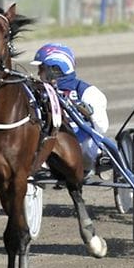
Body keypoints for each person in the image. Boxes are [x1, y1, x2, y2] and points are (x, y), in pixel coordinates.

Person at [31, 43, 108, 175]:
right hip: (52, 145)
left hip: (83, 146)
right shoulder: (38, 92)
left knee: (96, 145)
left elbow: (101, 125)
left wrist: (77, 139)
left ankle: (100, 160)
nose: (38, 73)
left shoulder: (86, 92)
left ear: (55, 69)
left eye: (42, 69)